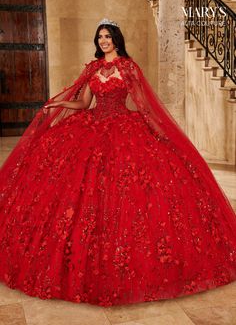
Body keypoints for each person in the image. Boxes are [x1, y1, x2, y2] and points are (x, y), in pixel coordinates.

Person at [0, 18, 236, 308]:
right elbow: (85, 104)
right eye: (100, 36)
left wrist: (161, 135)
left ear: (116, 39)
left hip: (124, 129)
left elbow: (144, 104)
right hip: (92, 126)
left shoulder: (128, 67)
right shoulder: (92, 68)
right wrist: (60, 104)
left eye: (108, 36)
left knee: (128, 195)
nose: (103, 41)